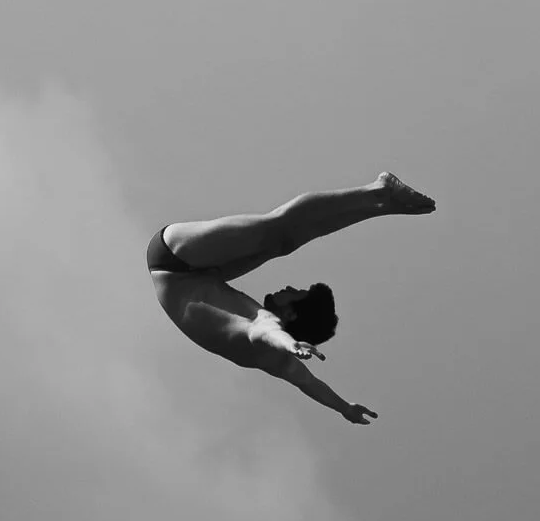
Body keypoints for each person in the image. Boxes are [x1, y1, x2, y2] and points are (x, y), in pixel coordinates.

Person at [147, 171, 435, 424]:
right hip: (200, 273)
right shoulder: (277, 363)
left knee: (274, 228)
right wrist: (343, 408)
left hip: (175, 258)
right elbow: (310, 383)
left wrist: (290, 344)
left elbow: (265, 330)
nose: (288, 287)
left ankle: (378, 190)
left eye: (297, 293)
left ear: (292, 314)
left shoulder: (265, 328)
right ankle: (383, 206)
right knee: (284, 243)